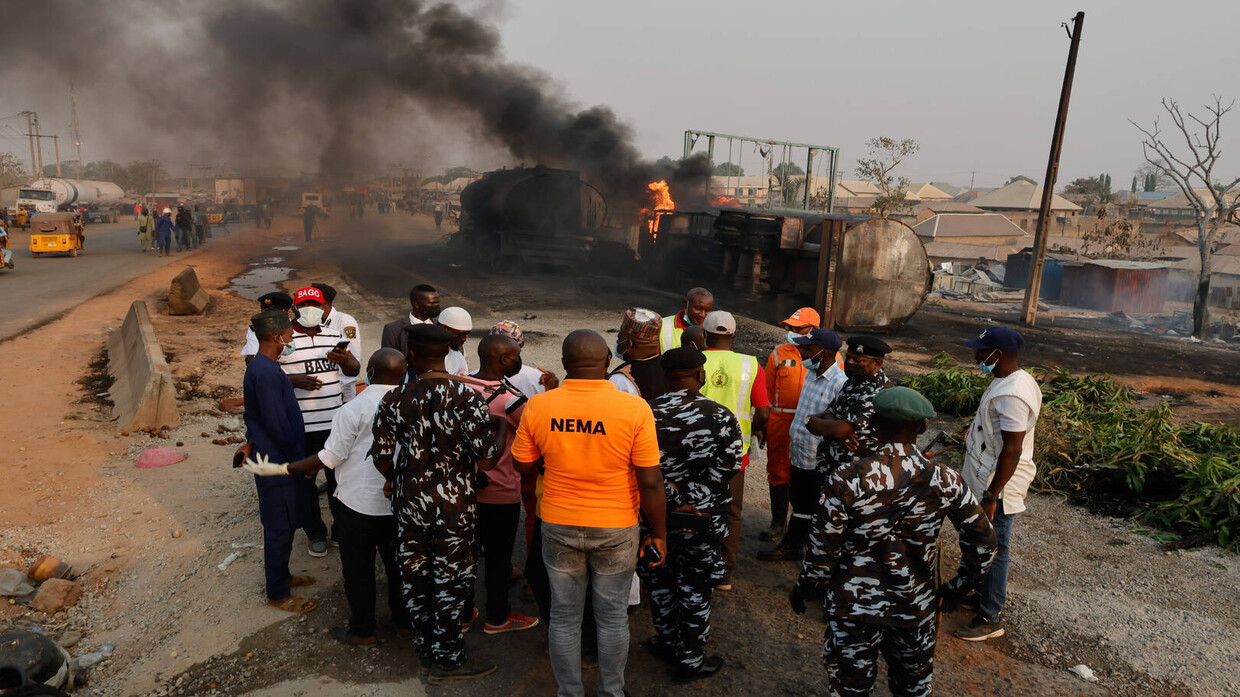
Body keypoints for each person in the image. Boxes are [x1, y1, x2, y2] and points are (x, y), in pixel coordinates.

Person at [790, 387, 997, 697]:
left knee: (849, 690)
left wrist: (804, 588)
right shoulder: (945, 479)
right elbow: (985, 543)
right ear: (923, 427)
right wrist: (956, 588)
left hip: (853, 608)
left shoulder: (846, 477)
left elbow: (822, 550)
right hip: (914, 607)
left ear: (874, 424)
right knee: (913, 690)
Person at [511, 329, 667, 697]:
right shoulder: (634, 409)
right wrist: (659, 533)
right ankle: (611, 692)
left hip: (559, 522)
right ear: (609, 362)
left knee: (564, 617)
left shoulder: (540, 406)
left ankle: (570, 692)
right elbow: (650, 481)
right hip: (616, 525)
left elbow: (522, 465)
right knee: (611, 617)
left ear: (565, 363)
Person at [244, 348, 412, 643]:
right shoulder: (415, 405)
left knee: (358, 570)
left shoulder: (353, 409)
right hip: (400, 502)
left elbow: (330, 457)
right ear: (403, 374)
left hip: (358, 504)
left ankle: (362, 630)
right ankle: (403, 622)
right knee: (398, 565)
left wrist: (285, 468)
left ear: (370, 373)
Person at [370, 324, 505, 684]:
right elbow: (487, 460)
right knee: (452, 579)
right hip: (454, 507)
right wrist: (503, 428)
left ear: (411, 355)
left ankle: (425, 649)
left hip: (410, 503)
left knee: (414, 576)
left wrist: (396, 476)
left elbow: (382, 459)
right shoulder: (467, 397)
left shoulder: (394, 399)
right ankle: (448, 659)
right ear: (447, 354)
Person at [639, 347, 742, 682]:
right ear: (701, 375)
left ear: (666, 376)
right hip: (702, 519)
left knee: (660, 581)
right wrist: (692, 497)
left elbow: (639, 467)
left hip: (656, 516)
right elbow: (730, 465)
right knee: (695, 588)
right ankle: (691, 659)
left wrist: (671, 497)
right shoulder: (720, 415)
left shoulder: (644, 412)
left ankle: (667, 642)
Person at [954, 326, 1042, 642]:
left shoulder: (1013, 394)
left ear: (998, 354)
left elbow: (1012, 449)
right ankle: (981, 596)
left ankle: (990, 616)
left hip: (998, 484)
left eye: (980, 351)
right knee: (981, 543)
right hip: (987, 476)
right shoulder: (1006, 380)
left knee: (994, 548)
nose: (976, 356)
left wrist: (992, 495)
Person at [238, 310, 316, 613]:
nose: (292, 339)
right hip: (277, 462)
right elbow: (277, 423)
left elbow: (254, 417)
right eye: (289, 334)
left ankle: (282, 576)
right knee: (278, 526)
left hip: (275, 457)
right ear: (276, 337)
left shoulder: (263, 367)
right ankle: (278, 593)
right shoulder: (267, 372)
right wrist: (300, 462)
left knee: (285, 521)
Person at [466, 334, 541, 635]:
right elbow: (536, 432)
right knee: (498, 559)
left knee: (466, 555)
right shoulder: (511, 399)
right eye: (515, 355)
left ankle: (462, 614)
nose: (518, 359)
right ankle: (497, 618)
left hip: (465, 490)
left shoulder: (462, 386)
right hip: (501, 491)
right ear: (504, 360)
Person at [282, 286, 361, 556]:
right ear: (295, 309)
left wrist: (346, 360)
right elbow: (266, 375)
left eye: (315, 305)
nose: (311, 310)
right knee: (304, 484)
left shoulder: (334, 335)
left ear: (323, 307)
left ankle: (340, 529)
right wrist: (293, 380)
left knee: (339, 481)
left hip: (334, 424)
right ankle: (315, 532)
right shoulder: (283, 338)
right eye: (305, 305)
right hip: (301, 426)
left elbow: (354, 369)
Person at [758, 328, 847, 562]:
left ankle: (797, 547)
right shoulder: (811, 374)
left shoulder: (839, 384)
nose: (802, 352)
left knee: (808, 504)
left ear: (823, 352)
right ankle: (796, 543)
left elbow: (837, 423)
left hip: (815, 457)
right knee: (798, 500)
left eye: (808, 348)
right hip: (799, 451)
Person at [699, 310, 770, 590]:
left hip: (699, 450)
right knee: (731, 511)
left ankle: (697, 565)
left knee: (699, 507)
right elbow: (763, 412)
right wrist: (755, 429)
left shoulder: (696, 361)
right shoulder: (751, 365)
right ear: (735, 335)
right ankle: (724, 573)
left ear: (704, 335)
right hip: (734, 452)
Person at [761, 307, 822, 542]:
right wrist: (763, 425)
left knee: (808, 474)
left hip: (813, 424)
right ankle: (778, 522)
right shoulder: (778, 354)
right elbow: (767, 392)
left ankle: (803, 526)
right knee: (778, 471)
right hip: (781, 421)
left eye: (798, 328)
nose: (791, 331)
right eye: (790, 327)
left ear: (812, 329)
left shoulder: (831, 357)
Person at [312, 283, 363, 403]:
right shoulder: (314, 322)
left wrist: (341, 387)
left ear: (322, 302)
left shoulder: (345, 321)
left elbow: (355, 355)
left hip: (342, 391)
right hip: (321, 389)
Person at [608, 307, 668, 401]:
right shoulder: (670, 368)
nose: (618, 342)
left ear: (629, 343)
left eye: (619, 339)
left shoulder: (622, 380)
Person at [381, 284, 441, 359]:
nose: (436, 306)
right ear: (417, 304)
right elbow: (388, 360)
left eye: (437, 303)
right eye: (431, 303)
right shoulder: (393, 329)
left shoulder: (441, 326)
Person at [241, 292, 295, 364]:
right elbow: (253, 359)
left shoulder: (295, 327)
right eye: (264, 310)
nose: (266, 314)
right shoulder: (258, 328)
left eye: (271, 310)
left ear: (285, 310)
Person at [659, 288, 714, 353]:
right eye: (698, 308)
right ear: (685, 304)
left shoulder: (713, 331)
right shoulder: (661, 326)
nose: (702, 314)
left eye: (707, 310)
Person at [437, 306, 472, 377]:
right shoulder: (430, 356)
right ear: (445, 328)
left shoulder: (459, 349)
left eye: (466, 334)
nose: (464, 339)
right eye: (460, 334)